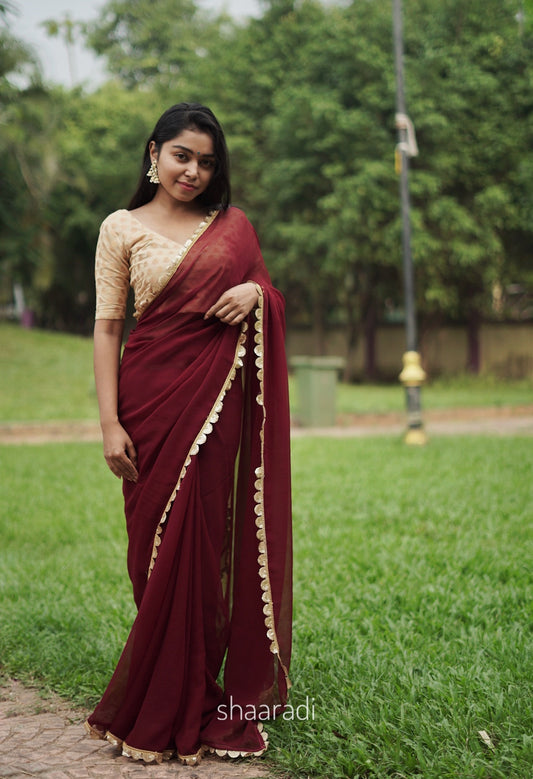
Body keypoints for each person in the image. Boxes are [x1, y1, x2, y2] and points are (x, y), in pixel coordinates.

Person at [84, 103, 292, 766]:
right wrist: (110, 421)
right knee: (152, 552)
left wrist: (256, 297)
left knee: (207, 542)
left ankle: (201, 693)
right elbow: (109, 328)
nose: (193, 170)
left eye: (206, 161)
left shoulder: (231, 227)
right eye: (182, 155)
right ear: (154, 152)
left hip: (214, 405)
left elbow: (265, 286)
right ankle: (167, 685)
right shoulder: (120, 228)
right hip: (148, 403)